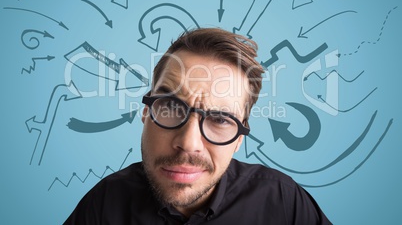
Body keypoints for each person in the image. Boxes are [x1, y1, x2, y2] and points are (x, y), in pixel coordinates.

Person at [64, 28, 332, 224]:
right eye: (170, 107)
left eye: (220, 120)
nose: (189, 143)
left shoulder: (284, 202)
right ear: (146, 112)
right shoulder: (104, 205)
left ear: (239, 139)